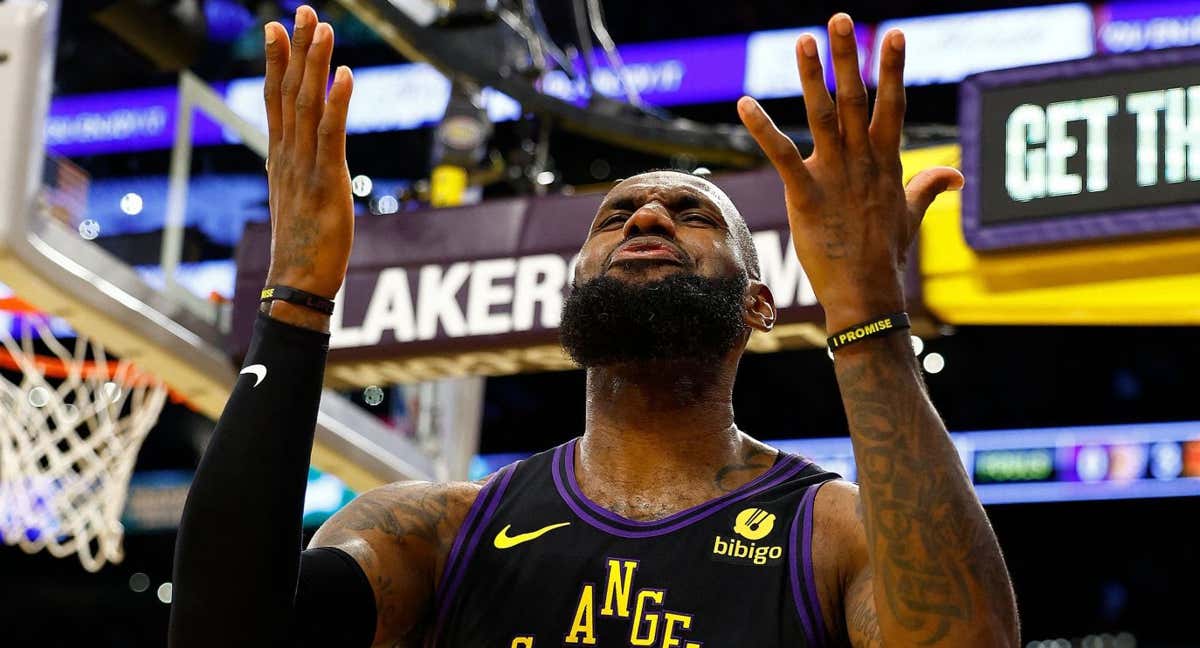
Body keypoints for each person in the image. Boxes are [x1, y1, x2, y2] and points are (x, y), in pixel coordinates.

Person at [168, 6, 1018, 647]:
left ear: (760, 306)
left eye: (692, 214)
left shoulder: (830, 529)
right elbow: (223, 635)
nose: (648, 211)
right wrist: (297, 295)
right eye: (614, 216)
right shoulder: (435, 530)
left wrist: (868, 309)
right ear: (569, 291)